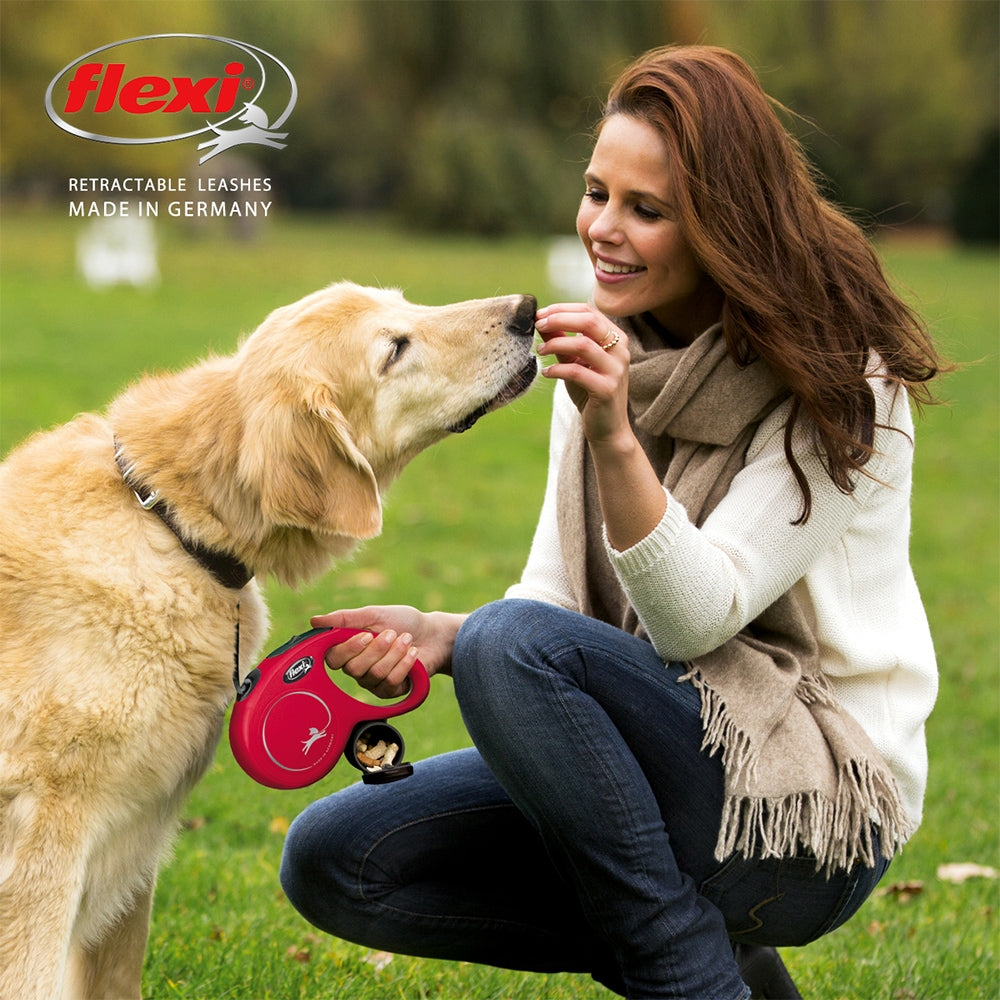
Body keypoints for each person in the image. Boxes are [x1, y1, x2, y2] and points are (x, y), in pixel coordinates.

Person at [280, 45, 944, 1000]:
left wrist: (617, 439)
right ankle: (727, 973)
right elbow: (553, 610)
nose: (604, 229)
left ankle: (692, 981)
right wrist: (443, 637)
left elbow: (694, 616)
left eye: (648, 209)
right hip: (670, 760)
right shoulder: (610, 357)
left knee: (515, 651)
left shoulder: (849, 389)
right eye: (597, 193)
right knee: (339, 855)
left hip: (813, 810)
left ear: (723, 225)